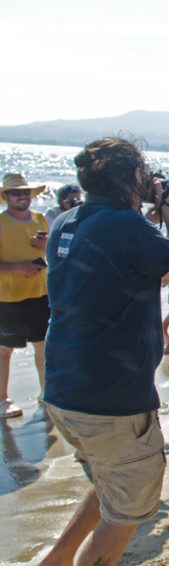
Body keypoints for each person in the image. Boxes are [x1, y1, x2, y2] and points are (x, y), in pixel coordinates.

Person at [40, 137, 169, 565]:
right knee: (125, 511)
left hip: (63, 389)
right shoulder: (127, 227)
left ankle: (53, 560)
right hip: (111, 401)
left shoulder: (67, 220)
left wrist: (150, 214)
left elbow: (115, 262)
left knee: (108, 480)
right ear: (135, 177)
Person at [0, 173, 49, 418]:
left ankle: (46, 395)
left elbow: (53, 252)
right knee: (4, 350)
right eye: (16, 192)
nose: (22, 196)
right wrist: (20, 268)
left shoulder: (40, 219)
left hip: (40, 294)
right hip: (8, 298)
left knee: (42, 347)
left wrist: (44, 246)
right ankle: (2, 400)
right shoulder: (1, 223)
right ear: (6, 196)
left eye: (25, 192)